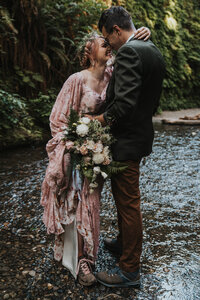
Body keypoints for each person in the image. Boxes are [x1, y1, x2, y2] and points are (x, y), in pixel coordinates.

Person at [40, 27, 151, 286]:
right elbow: (58, 120)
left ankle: (86, 254)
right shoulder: (76, 80)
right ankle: (82, 264)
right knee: (78, 202)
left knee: (92, 205)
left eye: (108, 42)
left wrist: (142, 33)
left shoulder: (114, 75)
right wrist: (73, 144)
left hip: (100, 151)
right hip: (77, 152)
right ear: (90, 53)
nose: (109, 46)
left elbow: (128, 56)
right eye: (103, 44)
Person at [91, 6, 166, 288]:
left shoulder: (130, 52)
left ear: (116, 31)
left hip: (126, 140)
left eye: (107, 38)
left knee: (128, 203)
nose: (108, 44)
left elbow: (123, 104)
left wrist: (97, 120)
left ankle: (129, 271)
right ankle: (123, 244)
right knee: (125, 198)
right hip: (139, 135)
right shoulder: (151, 48)